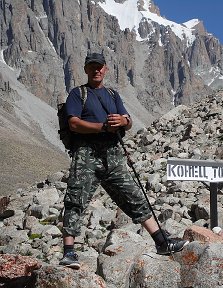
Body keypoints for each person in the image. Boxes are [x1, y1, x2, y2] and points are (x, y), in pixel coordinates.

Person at [59, 52, 189, 269]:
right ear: (85, 70)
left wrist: (123, 120)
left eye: (99, 66)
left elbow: (127, 122)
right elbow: (73, 123)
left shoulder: (112, 94)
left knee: (134, 195)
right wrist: (102, 127)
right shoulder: (77, 94)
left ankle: (161, 242)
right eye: (92, 67)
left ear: (105, 69)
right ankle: (69, 253)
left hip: (112, 154)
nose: (96, 70)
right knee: (75, 199)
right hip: (85, 153)